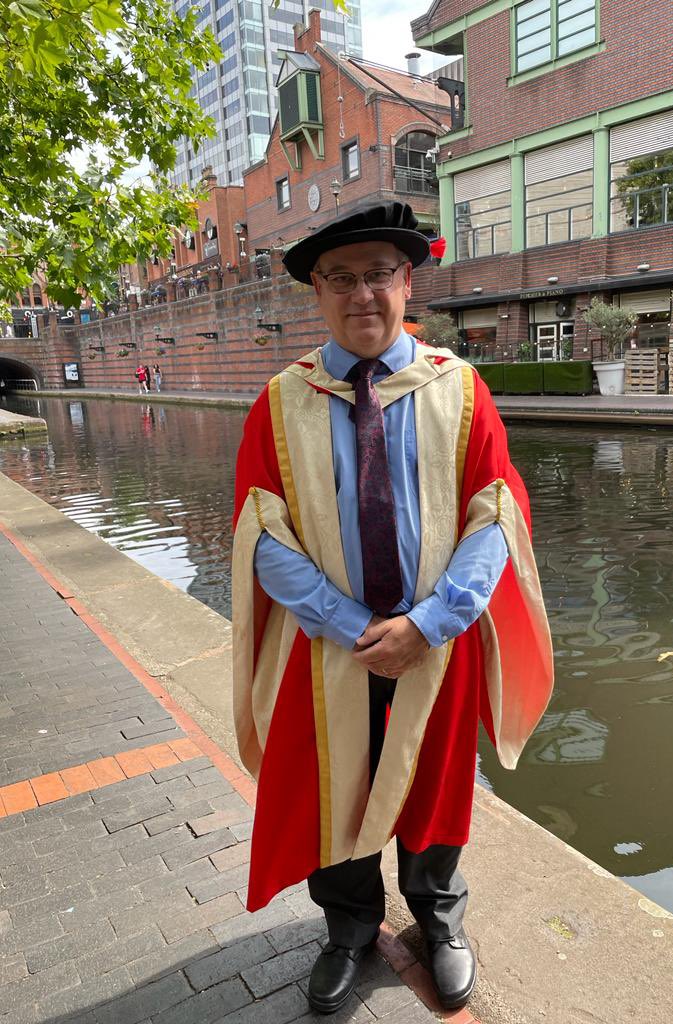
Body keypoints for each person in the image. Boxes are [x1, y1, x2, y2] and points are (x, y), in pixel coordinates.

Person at [232, 202, 553, 1015]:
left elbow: (494, 516)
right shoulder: (280, 401)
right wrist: (348, 625)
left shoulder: (460, 389)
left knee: (435, 787)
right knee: (332, 788)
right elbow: (262, 534)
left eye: (378, 273)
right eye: (340, 278)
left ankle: (438, 921)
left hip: (435, 642)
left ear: (408, 281)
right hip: (325, 647)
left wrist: (430, 622)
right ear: (317, 292)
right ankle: (349, 929)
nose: (362, 294)